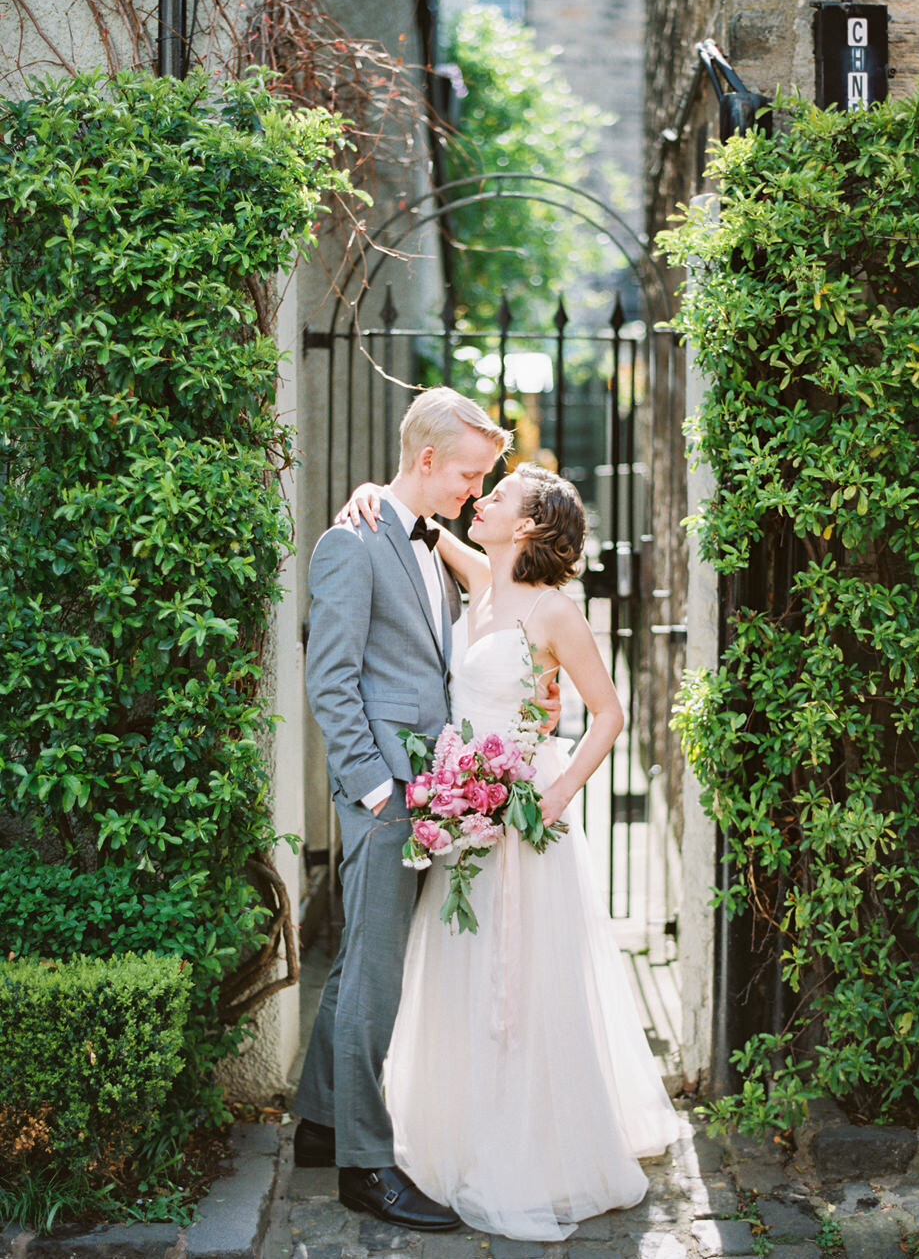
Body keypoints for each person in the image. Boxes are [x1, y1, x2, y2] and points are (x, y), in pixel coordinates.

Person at [341, 462, 679, 1241]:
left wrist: (553, 797)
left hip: (524, 815)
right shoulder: (481, 581)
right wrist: (370, 496)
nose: (479, 500)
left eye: (496, 497)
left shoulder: (556, 611)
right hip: (466, 813)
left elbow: (608, 714)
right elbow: (415, 523)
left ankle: (531, 1145)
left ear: (526, 525)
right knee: (459, 970)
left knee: (520, 985)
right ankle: (459, 1133)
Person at [293, 387, 563, 1232]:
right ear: (424, 461)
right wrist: (377, 789)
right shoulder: (352, 543)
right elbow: (331, 680)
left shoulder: (419, 541)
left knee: (361, 961)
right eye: (469, 474)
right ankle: (365, 1168)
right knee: (378, 973)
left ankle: (319, 1123)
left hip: (426, 787)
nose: (476, 492)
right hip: (386, 793)